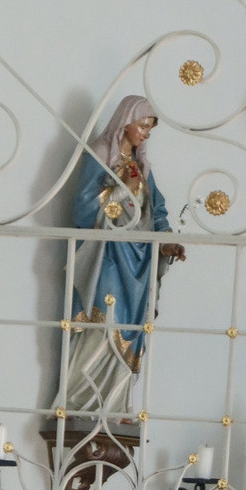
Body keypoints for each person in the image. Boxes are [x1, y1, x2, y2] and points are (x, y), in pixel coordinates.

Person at [66, 95, 186, 411]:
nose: (145, 134)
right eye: (142, 126)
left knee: (129, 329)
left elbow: (156, 210)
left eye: (149, 130)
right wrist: (118, 193)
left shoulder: (141, 168)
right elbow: (82, 209)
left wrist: (166, 241)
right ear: (126, 121)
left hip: (139, 262)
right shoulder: (100, 154)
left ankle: (115, 406)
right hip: (106, 256)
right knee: (103, 323)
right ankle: (80, 402)